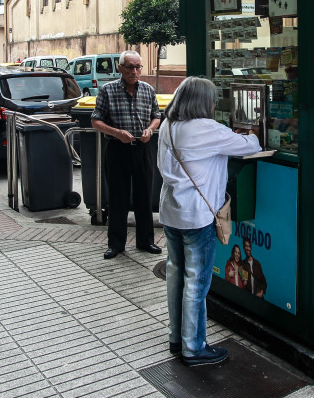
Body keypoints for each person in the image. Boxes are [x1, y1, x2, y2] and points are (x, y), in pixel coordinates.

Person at [157, 76, 261, 366]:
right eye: (213, 98)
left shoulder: (168, 126)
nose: (216, 103)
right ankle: (195, 348)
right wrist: (247, 132)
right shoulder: (207, 129)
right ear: (204, 102)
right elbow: (251, 144)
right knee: (197, 282)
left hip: (171, 212)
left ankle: (176, 338)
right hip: (198, 217)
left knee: (176, 275)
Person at [91, 50, 162, 259]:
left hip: (142, 148)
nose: (135, 71)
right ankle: (116, 244)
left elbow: (156, 115)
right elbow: (95, 120)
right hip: (117, 149)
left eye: (138, 67)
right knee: (117, 197)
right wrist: (117, 133)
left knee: (144, 196)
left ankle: (146, 241)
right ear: (120, 68)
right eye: (130, 67)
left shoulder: (148, 90)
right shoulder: (107, 90)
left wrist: (150, 129)